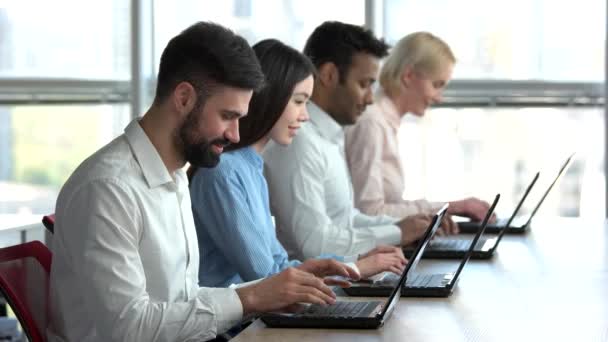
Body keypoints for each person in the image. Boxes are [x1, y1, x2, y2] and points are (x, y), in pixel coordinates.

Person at [47, 22, 358, 342]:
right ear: (184, 98)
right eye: (228, 116)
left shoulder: (173, 176)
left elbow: (182, 300)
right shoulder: (108, 188)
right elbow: (130, 327)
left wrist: (279, 289)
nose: (236, 135)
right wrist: (250, 299)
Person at [189, 39, 407, 289]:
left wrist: (352, 261)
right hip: (236, 326)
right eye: (299, 101)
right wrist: (355, 269)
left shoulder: (251, 167)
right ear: (269, 96)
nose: (305, 116)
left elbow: (279, 262)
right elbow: (266, 275)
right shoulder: (224, 172)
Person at [263, 21, 433, 261]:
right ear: (330, 75)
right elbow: (314, 244)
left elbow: (346, 220)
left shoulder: (329, 136)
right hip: (318, 287)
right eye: (364, 84)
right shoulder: (300, 142)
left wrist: (404, 225)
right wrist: (396, 232)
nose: (370, 99)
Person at [344, 32, 494, 233]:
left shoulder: (386, 122)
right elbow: (368, 212)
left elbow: (384, 207)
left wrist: (439, 213)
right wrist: (451, 207)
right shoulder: (372, 122)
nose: (439, 98)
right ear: (408, 76)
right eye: (436, 85)